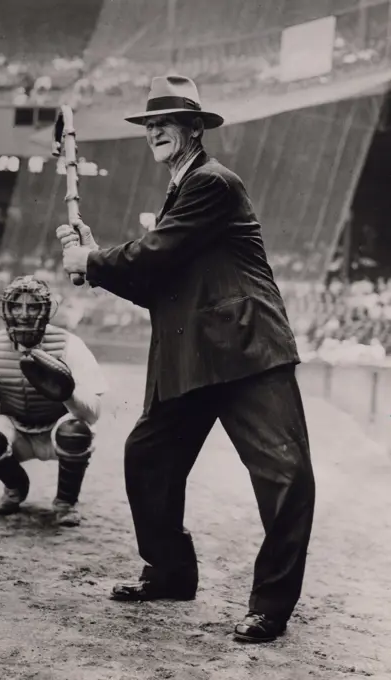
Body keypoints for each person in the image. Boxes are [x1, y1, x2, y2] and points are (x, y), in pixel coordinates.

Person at [56, 75, 316, 643]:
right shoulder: (180, 194)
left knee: (286, 477)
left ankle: (271, 605)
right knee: (147, 455)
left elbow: (156, 253)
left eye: (164, 122)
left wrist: (92, 259)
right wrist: (94, 261)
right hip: (195, 358)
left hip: (248, 353)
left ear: (195, 128)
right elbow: (157, 281)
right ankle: (171, 571)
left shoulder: (213, 183)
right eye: (148, 124)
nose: (153, 131)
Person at [0, 275, 107, 525]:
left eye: (33, 306)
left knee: (76, 432)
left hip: (56, 431)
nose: (24, 314)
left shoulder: (69, 346)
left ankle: (66, 501)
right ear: (7, 309)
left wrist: (68, 393)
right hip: (17, 431)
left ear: (46, 310)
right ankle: (16, 486)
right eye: (17, 306)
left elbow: (93, 414)